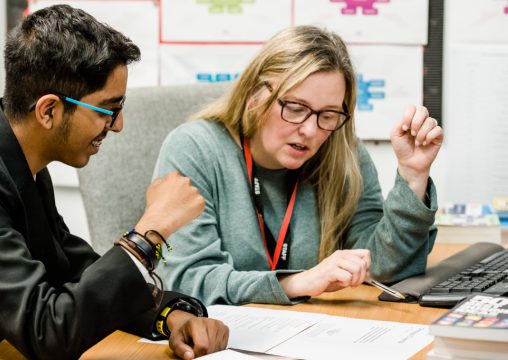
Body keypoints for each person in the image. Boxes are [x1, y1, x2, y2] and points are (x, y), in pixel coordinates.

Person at [0, 5, 228, 359]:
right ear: (48, 111)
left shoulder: (18, 154)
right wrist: (149, 233)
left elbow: (70, 269)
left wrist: (170, 315)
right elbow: (47, 330)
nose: (117, 125)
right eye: (108, 109)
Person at [153, 25, 444, 305]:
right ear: (255, 94)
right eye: (295, 108)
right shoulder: (195, 149)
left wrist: (413, 176)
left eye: (328, 115)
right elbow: (188, 281)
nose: (310, 130)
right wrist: (296, 283)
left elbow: (381, 266)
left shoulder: (343, 152)